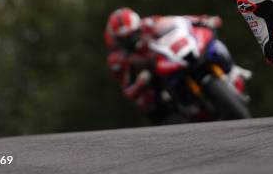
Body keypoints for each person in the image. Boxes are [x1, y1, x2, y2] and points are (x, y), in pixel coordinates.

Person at [104, 8, 248, 119]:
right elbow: (127, 90)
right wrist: (141, 82)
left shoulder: (149, 24)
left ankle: (232, 70)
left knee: (213, 44)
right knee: (148, 103)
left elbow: (177, 21)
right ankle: (186, 113)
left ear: (138, 28)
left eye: (131, 35)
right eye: (124, 39)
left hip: (172, 57)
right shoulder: (117, 59)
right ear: (116, 40)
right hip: (155, 78)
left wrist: (202, 20)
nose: (130, 40)